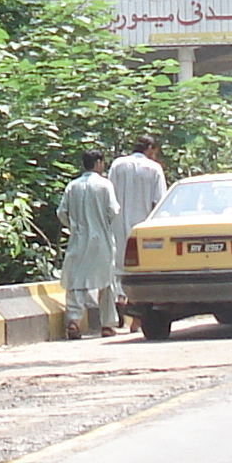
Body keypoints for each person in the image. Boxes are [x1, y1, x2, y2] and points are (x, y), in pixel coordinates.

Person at [59, 151, 120, 340]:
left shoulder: (73, 186)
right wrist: (101, 223)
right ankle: (108, 324)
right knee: (106, 282)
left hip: (78, 240)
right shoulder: (105, 185)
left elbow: (62, 212)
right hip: (101, 240)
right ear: (98, 163)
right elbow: (113, 211)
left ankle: (74, 320)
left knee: (76, 281)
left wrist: (75, 226)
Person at [109, 136, 167, 238]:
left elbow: (109, 195)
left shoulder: (117, 164)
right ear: (149, 148)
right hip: (144, 225)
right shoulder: (154, 168)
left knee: (120, 253)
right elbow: (160, 201)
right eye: (154, 152)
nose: (154, 157)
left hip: (118, 226)